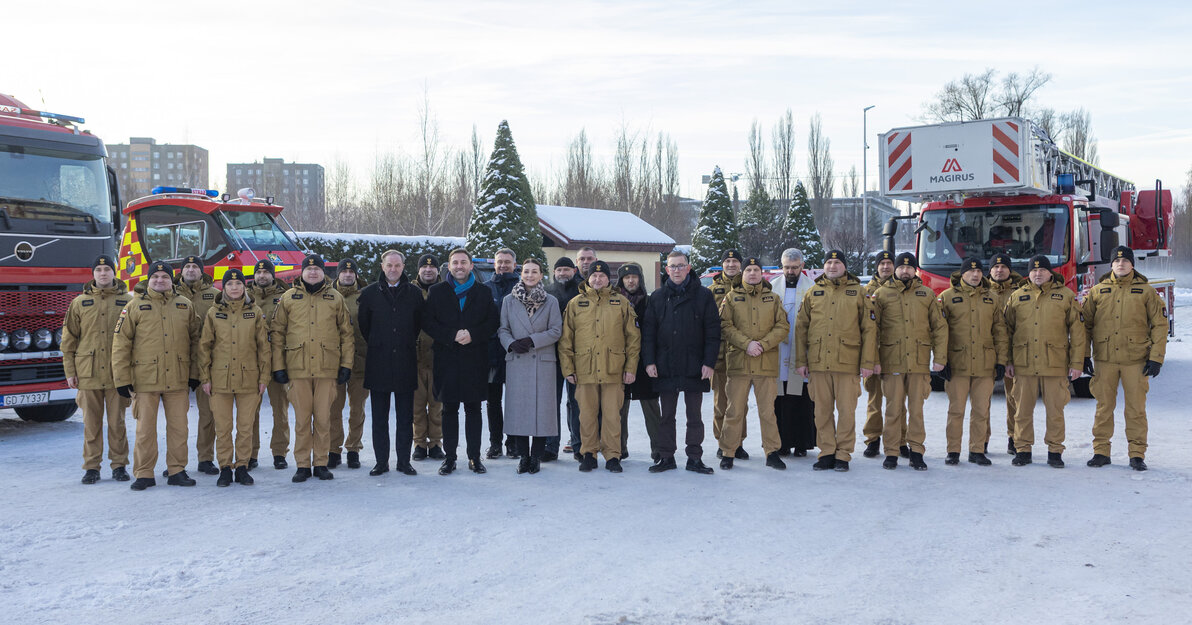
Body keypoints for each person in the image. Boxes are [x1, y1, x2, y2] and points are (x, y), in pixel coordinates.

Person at [111, 261, 202, 491]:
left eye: (164, 276)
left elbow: (195, 342)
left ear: (172, 280)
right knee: (145, 430)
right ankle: (144, 473)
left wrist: (194, 374)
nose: (160, 280)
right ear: (148, 280)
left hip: (178, 378)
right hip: (145, 379)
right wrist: (122, 379)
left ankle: (177, 470)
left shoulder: (185, 305)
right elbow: (121, 344)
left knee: (179, 428)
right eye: (155, 277)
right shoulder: (134, 306)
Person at [270, 254, 354, 483]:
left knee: (324, 419)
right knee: (302, 420)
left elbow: (347, 334)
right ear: (302, 272)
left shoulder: (335, 298)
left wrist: (346, 365)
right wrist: (278, 366)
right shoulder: (288, 298)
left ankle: (321, 463)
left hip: (327, 369)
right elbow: (277, 334)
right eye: (309, 269)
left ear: (323, 272)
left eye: (317, 269)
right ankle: (303, 465)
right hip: (298, 368)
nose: (313, 272)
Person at [1082, 246, 1168, 471]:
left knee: (1136, 409)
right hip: (1105, 359)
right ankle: (1101, 451)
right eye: (1117, 261)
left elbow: (1159, 325)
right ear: (1111, 265)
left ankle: (1137, 454)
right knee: (1103, 407)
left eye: (1125, 261)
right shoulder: (1097, 291)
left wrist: (1156, 358)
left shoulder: (1146, 292)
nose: (1121, 265)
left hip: (1136, 360)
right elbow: (1085, 326)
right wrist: (1083, 355)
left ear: (1132, 264)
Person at [795, 250, 877, 472]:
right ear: (823, 266)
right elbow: (801, 329)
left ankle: (843, 454)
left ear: (844, 266)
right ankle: (827, 452)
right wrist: (801, 361)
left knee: (846, 411)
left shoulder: (859, 293)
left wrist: (867, 362)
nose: (832, 266)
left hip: (847, 363)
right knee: (821, 411)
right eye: (829, 262)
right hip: (818, 362)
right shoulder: (813, 293)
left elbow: (869, 330)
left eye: (837, 262)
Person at [422, 248, 500, 475]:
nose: (459, 266)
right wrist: (450, 335)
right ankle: (450, 458)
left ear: (470, 266)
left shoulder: (483, 292)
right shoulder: (437, 291)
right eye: (455, 262)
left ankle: (474, 457)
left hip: (475, 359)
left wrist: (473, 334)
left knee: (474, 409)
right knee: (449, 410)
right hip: (446, 359)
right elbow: (428, 322)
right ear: (449, 265)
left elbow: (492, 322)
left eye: (463, 262)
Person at [1003, 255, 1086, 468]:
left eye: (1042, 270)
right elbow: (1007, 332)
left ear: (1051, 273)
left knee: (1055, 410)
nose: (1037, 274)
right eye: (1033, 271)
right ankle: (1022, 449)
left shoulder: (1066, 296)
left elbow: (1077, 332)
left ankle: (1055, 450)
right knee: (1022, 410)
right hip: (1024, 363)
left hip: (1055, 363)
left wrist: (1077, 363)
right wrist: (1008, 361)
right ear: (1028, 273)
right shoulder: (1017, 296)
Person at [641, 250, 719, 474]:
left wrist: (709, 362)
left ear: (688, 267)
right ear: (666, 270)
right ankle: (666, 457)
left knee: (694, 416)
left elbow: (713, 333)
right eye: (672, 266)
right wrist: (649, 362)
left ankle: (695, 457)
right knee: (667, 416)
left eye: (680, 265)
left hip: (695, 365)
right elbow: (648, 334)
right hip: (666, 365)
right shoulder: (656, 297)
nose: (676, 270)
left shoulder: (703, 296)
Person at [559, 260, 640, 473]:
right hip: (584, 368)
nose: (597, 279)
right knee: (586, 414)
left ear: (608, 279)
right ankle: (589, 453)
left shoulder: (620, 302)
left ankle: (613, 455)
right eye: (594, 276)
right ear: (588, 278)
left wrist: (631, 368)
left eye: (602, 276)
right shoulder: (576, 304)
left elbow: (633, 338)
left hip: (614, 368)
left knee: (613, 415)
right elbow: (566, 340)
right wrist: (568, 369)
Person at [871, 253, 948, 471]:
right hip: (891, 361)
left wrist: (940, 358)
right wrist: (874, 360)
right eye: (901, 267)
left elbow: (939, 329)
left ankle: (916, 451)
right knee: (893, 409)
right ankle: (892, 452)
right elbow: (872, 331)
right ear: (894, 270)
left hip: (918, 362)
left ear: (915, 270)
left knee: (917, 410)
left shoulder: (927, 294)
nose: (905, 271)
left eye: (909, 267)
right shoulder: (881, 294)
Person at [61, 255, 132, 484]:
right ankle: (92, 467)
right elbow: (68, 340)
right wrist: (70, 371)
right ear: (93, 274)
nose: (103, 273)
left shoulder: (128, 301)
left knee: (117, 423)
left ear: (114, 272)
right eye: (99, 269)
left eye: (107, 269)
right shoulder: (79, 303)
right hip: (87, 372)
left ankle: (119, 465)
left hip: (117, 374)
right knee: (91, 424)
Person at [196, 269, 270, 486]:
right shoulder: (213, 312)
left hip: (249, 379)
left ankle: (242, 467)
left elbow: (264, 348)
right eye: (230, 284)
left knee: (246, 427)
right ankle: (225, 467)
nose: (235, 288)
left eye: (238, 284)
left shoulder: (254, 312)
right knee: (223, 427)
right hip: (220, 379)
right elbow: (204, 347)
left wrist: (264, 377)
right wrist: (205, 378)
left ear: (244, 287)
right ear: (224, 287)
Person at [719, 257, 791, 470]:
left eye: (756, 270)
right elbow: (725, 325)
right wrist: (747, 344)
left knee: (767, 411)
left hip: (765, 363)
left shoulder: (773, 298)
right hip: (739, 363)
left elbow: (783, 326)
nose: (752, 273)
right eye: (748, 269)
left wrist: (763, 344)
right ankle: (728, 452)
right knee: (734, 410)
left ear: (762, 273)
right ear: (742, 273)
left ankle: (772, 452)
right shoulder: (731, 298)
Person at [358, 250, 425, 477]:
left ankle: (404, 461)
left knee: (405, 417)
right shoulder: (368, 294)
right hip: (379, 362)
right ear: (382, 266)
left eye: (398, 265)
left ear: (404, 266)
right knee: (380, 417)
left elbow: (417, 326)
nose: (393, 269)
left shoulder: (415, 294)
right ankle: (381, 462)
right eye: (389, 265)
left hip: (405, 361)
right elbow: (364, 326)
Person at [937, 257, 1008, 466]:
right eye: (970, 272)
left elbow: (1000, 332)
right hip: (957, 363)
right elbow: (940, 332)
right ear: (963, 274)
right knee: (956, 409)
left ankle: (977, 450)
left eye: (978, 272)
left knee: (981, 409)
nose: (975, 275)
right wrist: (942, 361)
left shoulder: (991, 298)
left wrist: (1001, 361)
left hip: (985, 364)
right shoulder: (946, 297)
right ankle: (953, 450)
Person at [497, 258, 563, 474]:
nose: (530, 275)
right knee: (520, 411)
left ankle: (536, 456)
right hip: (517, 360)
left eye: (534, 271)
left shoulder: (551, 301)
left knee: (542, 411)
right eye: (526, 271)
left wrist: (533, 341)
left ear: (541, 274)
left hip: (542, 360)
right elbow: (503, 329)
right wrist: (511, 343)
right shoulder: (509, 300)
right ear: (520, 273)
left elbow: (556, 330)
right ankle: (523, 456)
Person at [174, 255, 221, 476]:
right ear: (180, 271)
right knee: (177, 418)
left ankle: (205, 458)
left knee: (207, 414)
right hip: (177, 362)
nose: (191, 270)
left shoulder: (215, 296)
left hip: (206, 363)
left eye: (195, 267)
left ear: (202, 271)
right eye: (187, 267)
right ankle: (176, 463)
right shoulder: (171, 294)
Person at [771, 248, 815, 457]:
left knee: (801, 398)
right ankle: (782, 442)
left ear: (802, 267)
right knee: (781, 397)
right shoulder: (772, 288)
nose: (790, 271)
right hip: (779, 350)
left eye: (795, 267)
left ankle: (801, 443)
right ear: (782, 266)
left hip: (801, 350)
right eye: (787, 267)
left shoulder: (812, 288)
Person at [249, 259, 291, 470]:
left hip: (277, 360)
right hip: (252, 361)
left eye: (266, 272)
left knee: (280, 409)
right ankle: (251, 452)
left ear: (273, 275)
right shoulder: (245, 296)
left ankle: (279, 452)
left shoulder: (283, 298)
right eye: (259, 272)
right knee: (250, 410)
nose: (262, 276)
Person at [614, 262, 659, 460]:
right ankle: (619, 447)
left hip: (645, 362)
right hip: (619, 363)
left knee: (651, 408)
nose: (631, 280)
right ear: (621, 281)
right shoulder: (614, 303)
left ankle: (658, 448)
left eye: (634, 276)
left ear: (640, 279)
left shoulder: (650, 302)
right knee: (619, 408)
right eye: (626, 277)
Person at [329, 258, 369, 469]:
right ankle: (333, 449)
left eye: (351, 272)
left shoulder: (365, 296)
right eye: (343, 272)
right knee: (333, 409)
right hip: (334, 362)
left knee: (357, 409)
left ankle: (353, 448)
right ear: (338, 274)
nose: (347, 275)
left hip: (360, 360)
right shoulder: (328, 296)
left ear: (355, 275)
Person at [709, 249, 749, 460]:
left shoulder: (748, 287)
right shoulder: (712, 289)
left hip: (741, 354)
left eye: (735, 261)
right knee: (721, 403)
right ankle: (722, 441)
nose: (731, 264)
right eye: (728, 261)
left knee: (740, 404)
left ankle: (738, 442)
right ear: (722, 264)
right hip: (719, 355)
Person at [485, 248, 520, 459]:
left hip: (515, 352)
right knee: (493, 401)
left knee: (515, 400)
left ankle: (514, 442)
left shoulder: (522, 287)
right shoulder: (485, 289)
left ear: (515, 264)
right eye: (500, 262)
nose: (503, 265)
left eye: (507, 262)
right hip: (491, 353)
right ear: (494, 264)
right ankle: (495, 443)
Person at [987, 253, 1024, 455]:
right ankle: (981, 440)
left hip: (1012, 354)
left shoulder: (1021, 292)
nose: (999, 270)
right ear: (990, 270)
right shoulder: (982, 291)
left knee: (1014, 398)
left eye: (1003, 267)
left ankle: (1014, 437)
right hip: (985, 353)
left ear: (1010, 270)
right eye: (995, 267)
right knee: (982, 400)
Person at [548, 256, 584, 460]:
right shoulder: (546, 292)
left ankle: (579, 445)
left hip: (576, 356)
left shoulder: (582, 290)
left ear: (574, 270)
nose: (562, 273)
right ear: (554, 272)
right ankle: (550, 446)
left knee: (576, 402)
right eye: (559, 269)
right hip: (551, 355)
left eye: (566, 270)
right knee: (552, 402)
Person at [862, 250, 896, 458]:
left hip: (895, 352)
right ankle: (872, 439)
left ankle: (899, 440)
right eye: (881, 263)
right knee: (874, 400)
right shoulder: (866, 291)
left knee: (897, 400)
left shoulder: (901, 288)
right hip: (873, 352)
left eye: (889, 263)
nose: (885, 267)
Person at [411, 254, 446, 461]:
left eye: (432, 268)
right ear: (418, 270)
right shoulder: (410, 291)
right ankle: (418, 443)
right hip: (414, 358)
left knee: (436, 406)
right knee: (416, 406)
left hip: (438, 357)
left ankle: (435, 443)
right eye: (424, 267)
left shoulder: (444, 291)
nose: (428, 270)